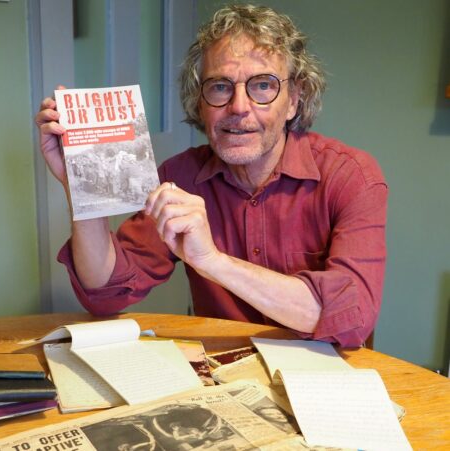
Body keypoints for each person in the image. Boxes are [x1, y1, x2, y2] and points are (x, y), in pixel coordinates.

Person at [34, 4, 387, 347]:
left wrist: (213, 263)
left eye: (262, 86)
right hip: (224, 380)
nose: (238, 106)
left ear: (293, 100)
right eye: (219, 86)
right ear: (200, 102)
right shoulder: (180, 176)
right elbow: (104, 294)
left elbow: (351, 316)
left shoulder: (350, 176)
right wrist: (82, 185)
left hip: (326, 383)